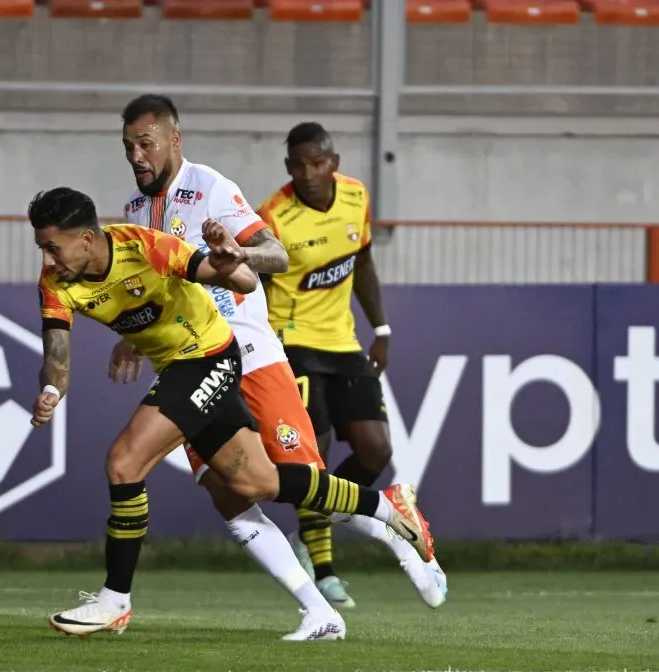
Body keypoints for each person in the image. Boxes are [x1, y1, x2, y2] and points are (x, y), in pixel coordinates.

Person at [28, 186, 436, 641]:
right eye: (42, 248)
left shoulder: (145, 247)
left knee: (124, 461)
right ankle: (386, 505)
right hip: (179, 368)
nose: (47, 260)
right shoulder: (56, 284)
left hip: (209, 358)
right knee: (255, 483)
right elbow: (57, 354)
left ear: (85, 239)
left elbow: (242, 283)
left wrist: (227, 258)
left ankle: (115, 600)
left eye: (52, 247)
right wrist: (51, 387)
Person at [113, 93, 354, 611]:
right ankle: (320, 611)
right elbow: (160, 291)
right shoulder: (136, 211)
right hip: (193, 365)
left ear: (175, 138)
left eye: (146, 143)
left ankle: (394, 521)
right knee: (228, 493)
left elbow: (278, 254)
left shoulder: (211, 187)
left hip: (249, 355)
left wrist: (238, 252)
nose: (136, 155)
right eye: (129, 145)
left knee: (307, 488)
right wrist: (130, 337)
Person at [257, 122, 447, 607]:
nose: (309, 173)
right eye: (298, 165)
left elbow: (360, 264)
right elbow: (249, 285)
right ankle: (323, 569)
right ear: (288, 168)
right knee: (312, 457)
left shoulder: (355, 197)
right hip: (292, 343)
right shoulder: (273, 218)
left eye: (317, 163)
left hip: (343, 342)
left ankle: (315, 525)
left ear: (334, 163)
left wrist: (381, 329)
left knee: (375, 450)